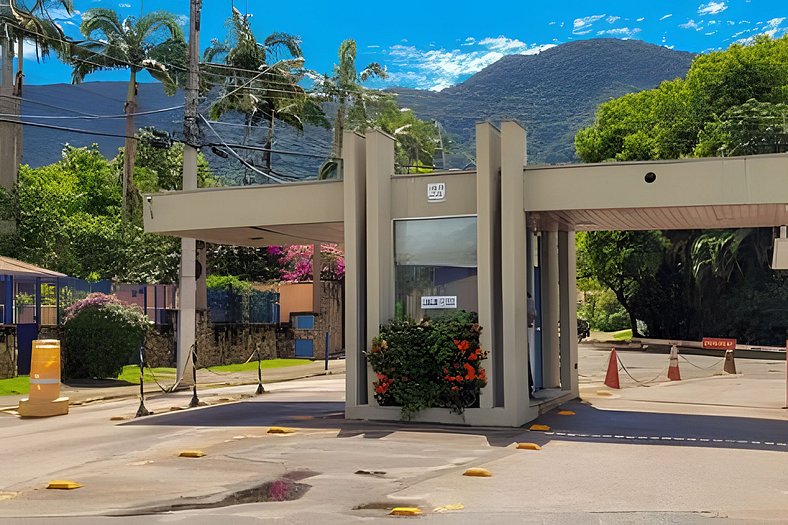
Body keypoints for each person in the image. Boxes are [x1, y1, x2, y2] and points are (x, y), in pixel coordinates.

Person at [527, 292, 537, 398]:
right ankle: (529, 388)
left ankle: (529, 388)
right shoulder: (528, 301)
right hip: (523, 338)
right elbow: (532, 315)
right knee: (526, 363)